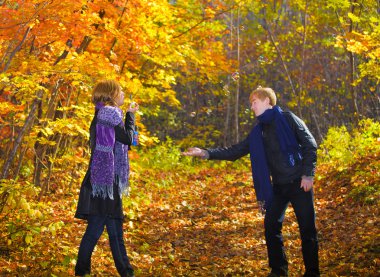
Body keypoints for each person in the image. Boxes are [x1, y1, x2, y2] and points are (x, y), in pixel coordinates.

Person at [183, 86, 319, 277]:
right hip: (279, 187)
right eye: (251, 103)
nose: (252, 107)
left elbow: (310, 144)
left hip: (299, 182)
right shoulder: (258, 132)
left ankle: (312, 272)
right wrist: (206, 153)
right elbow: (235, 151)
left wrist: (307, 175)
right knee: (271, 227)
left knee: (307, 230)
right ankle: (279, 270)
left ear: (267, 101)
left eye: (254, 102)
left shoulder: (288, 119)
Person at [74, 80, 139, 277]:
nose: (123, 95)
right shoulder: (110, 113)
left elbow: (123, 141)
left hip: (101, 178)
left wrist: (128, 117)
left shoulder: (100, 113)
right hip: (106, 181)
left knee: (105, 229)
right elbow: (128, 139)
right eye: (120, 92)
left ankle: (85, 271)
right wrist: (131, 116)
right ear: (111, 94)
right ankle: (124, 273)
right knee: (107, 230)